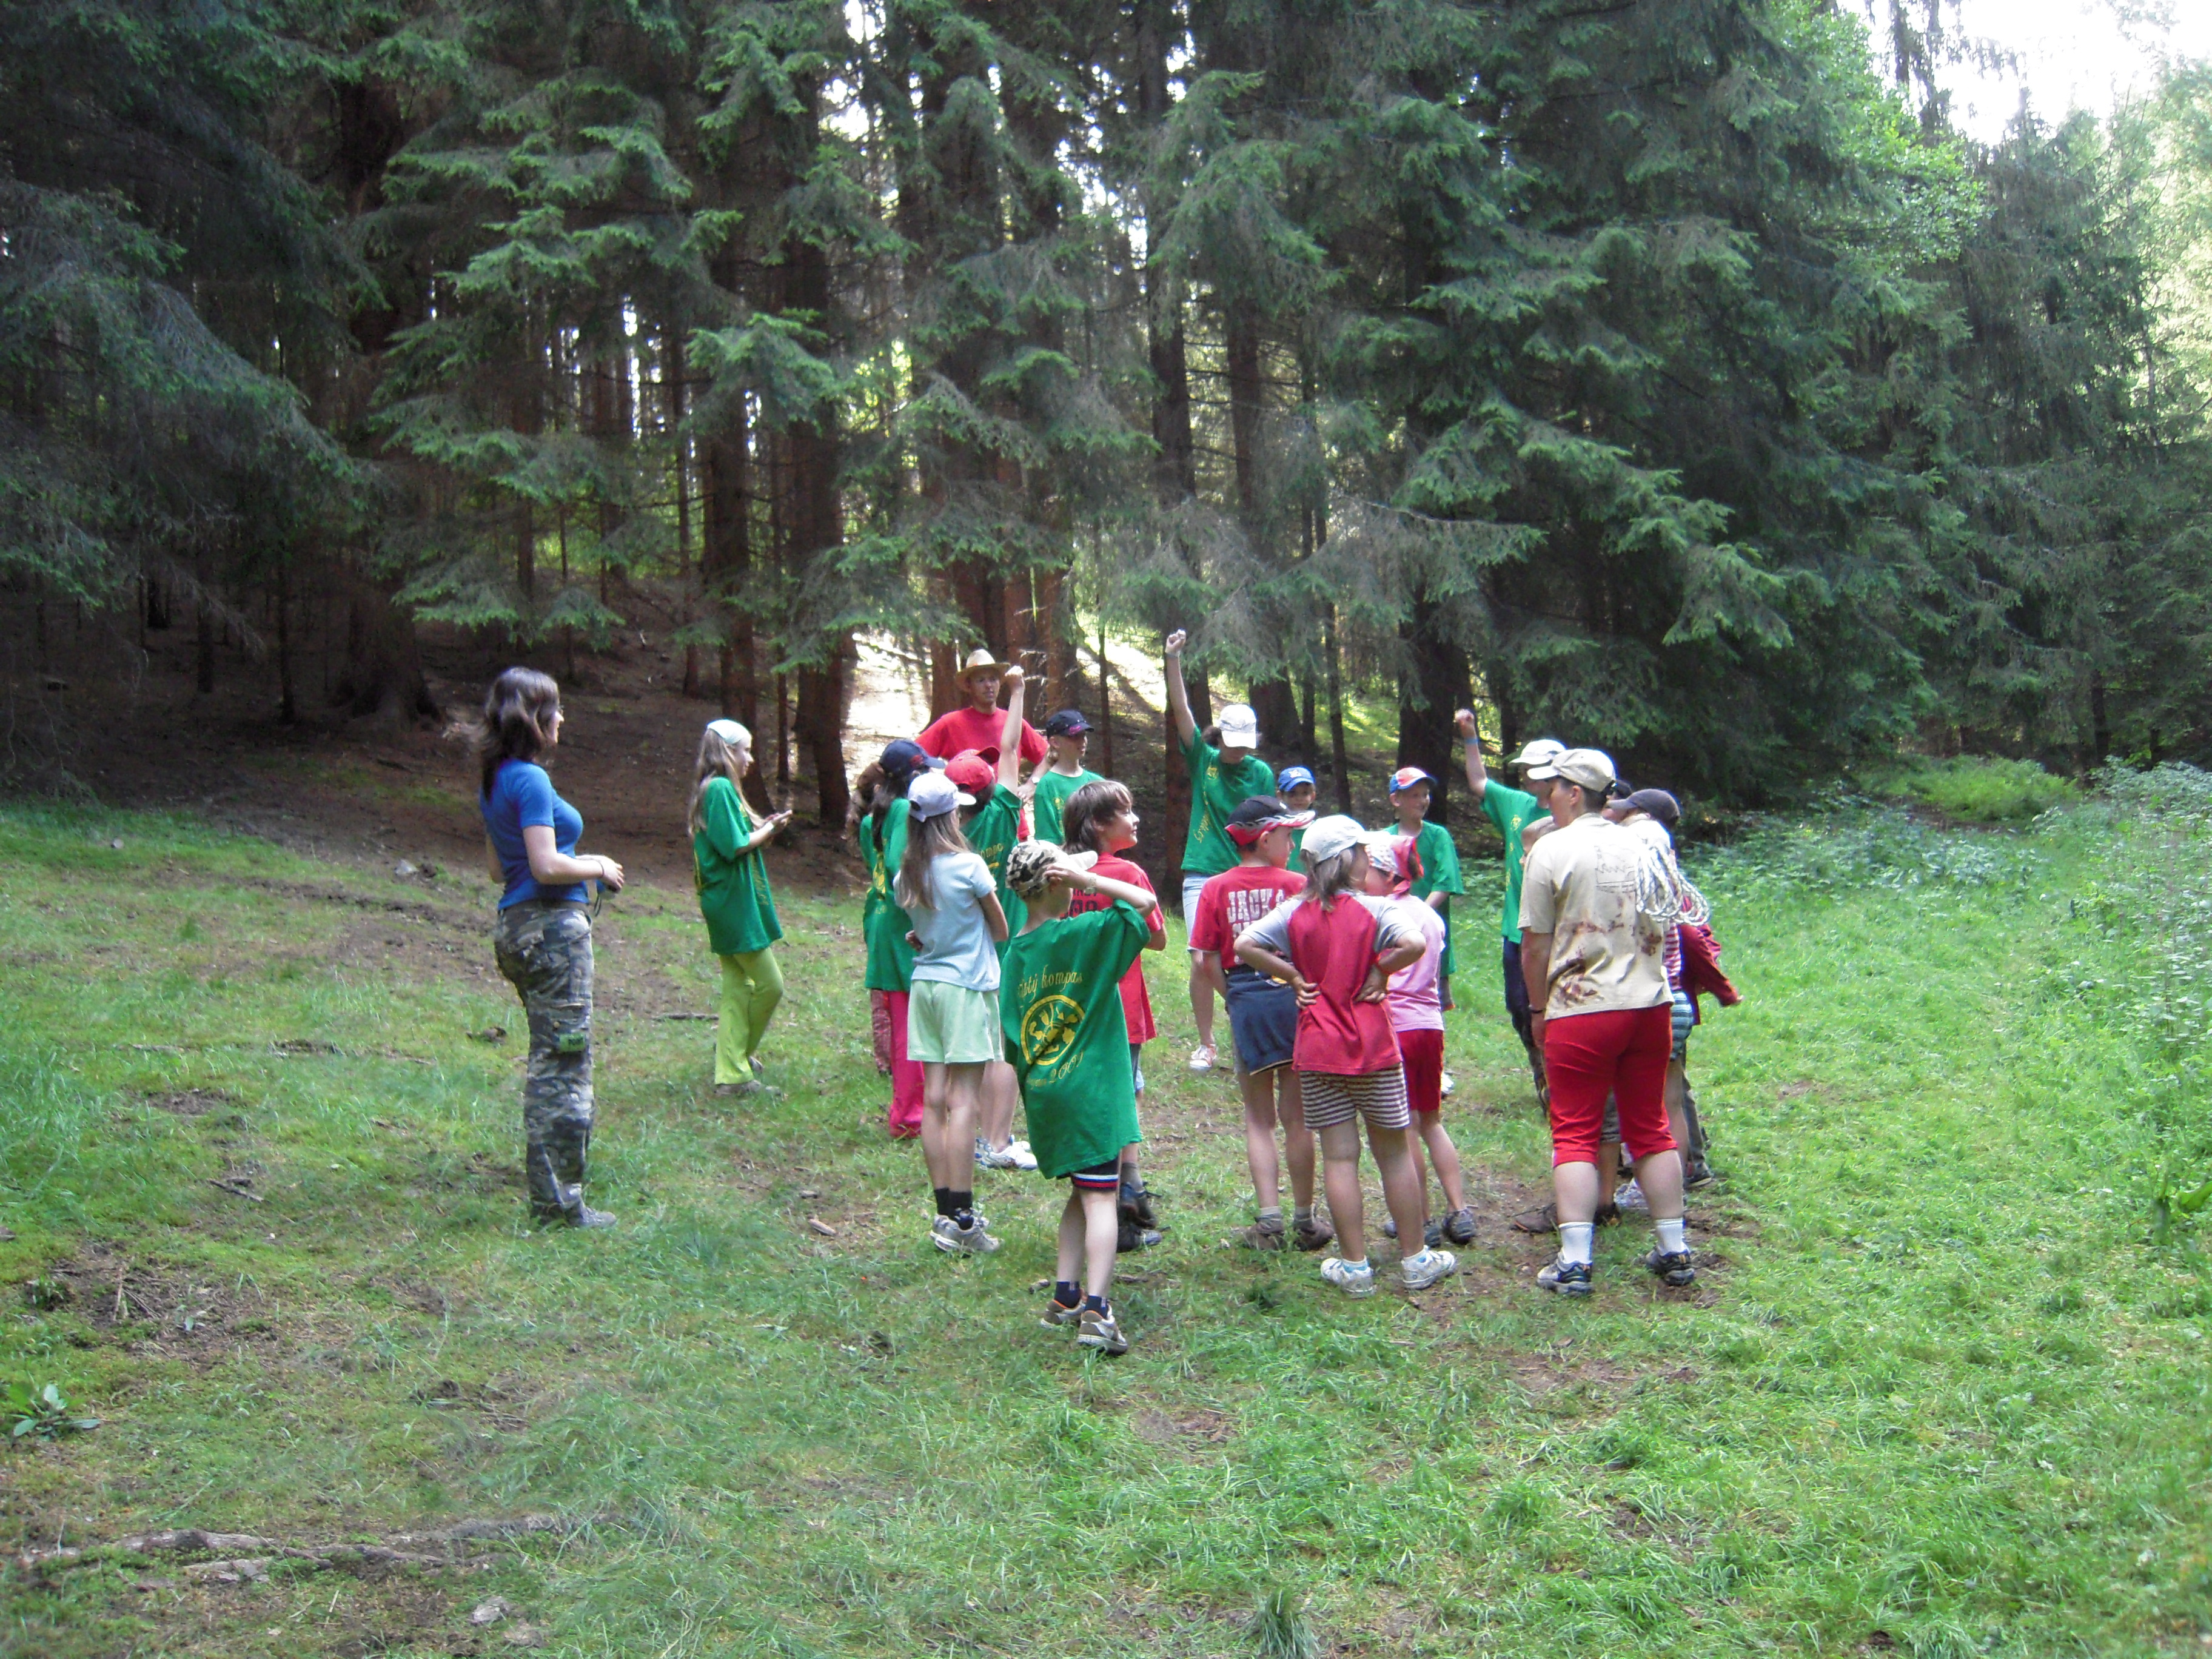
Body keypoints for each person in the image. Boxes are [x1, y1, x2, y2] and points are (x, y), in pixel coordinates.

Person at [1235, 815, 1459, 1296]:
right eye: (1362, 852)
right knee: (1393, 1154)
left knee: (1339, 1158)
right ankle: (1416, 1260)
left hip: (1318, 1050)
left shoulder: (1292, 912)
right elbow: (1414, 943)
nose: (1367, 859)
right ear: (1348, 859)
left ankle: (1355, 1268)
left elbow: (1244, 944)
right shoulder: (1377, 908)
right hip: (1374, 1049)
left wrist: (1293, 977)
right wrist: (1381, 972)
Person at [1518, 749, 1697, 1296]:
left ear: (1574, 793)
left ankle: (1575, 1263)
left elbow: (1535, 944)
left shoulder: (1551, 849)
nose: (1547, 797)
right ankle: (1674, 1250)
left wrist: (1538, 1010)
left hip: (1582, 1006)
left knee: (1574, 1129)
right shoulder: (1643, 844)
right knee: (1650, 1126)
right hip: (1649, 1006)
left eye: (1554, 788)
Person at [467, 667, 625, 1229]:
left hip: (517, 928)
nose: (563, 718)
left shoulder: (495, 780)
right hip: (552, 933)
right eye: (556, 709)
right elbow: (545, 865)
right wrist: (598, 865)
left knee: (550, 1057)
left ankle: (554, 1190)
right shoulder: (530, 780)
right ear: (535, 719)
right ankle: (558, 1206)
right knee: (563, 1065)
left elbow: (497, 869)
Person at [1002, 840, 1162, 1355]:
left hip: (1046, 1091)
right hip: (1092, 1091)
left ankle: (1065, 1296)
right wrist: (1090, 881)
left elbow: (1011, 1040)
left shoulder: (1016, 953)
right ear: (1059, 884)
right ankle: (1098, 1311)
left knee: (1081, 1190)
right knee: (1100, 1199)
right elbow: (1143, 904)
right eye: (1071, 876)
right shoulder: (1086, 933)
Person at [1187, 796, 1331, 1251]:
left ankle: (1269, 1223)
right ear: (1266, 839)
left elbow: (1206, 959)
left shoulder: (1215, 888)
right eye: (1288, 836)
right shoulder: (1299, 885)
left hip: (1247, 998)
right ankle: (1305, 1220)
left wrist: (1234, 1000)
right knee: (1298, 1118)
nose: (1293, 845)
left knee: (1258, 1118)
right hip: (1295, 999)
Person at [897, 769, 1011, 1253]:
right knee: (965, 1101)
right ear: (952, 817)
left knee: (934, 1099)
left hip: (925, 987)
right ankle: (964, 1221)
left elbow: (924, 931)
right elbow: (1000, 929)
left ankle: (944, 1212)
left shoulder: (908, 873)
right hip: (965, 988)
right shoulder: (969, 866)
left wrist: (929, 936)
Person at [1060, 778, 1168, 1248]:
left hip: (1072, 1008)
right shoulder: (1127, 874)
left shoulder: (1059, 870)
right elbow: (1158, 938)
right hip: (1120, 1010)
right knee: (1121, 1103)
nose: (1136, 819)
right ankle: (1119, 1204)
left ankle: (1131, 1187)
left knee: (1110, 1097)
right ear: (1101, 824)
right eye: (1127, 812)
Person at [1163, 628, 1276, 1073]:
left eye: (1246, 741)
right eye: (1234, 739)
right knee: (1201, 958)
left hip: (1247, 874)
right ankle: (1208, 1042)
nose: (1239, 748)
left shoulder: (1260, 772)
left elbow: (1270, 825)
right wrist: (1173, 660)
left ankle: (1252, 1027)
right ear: (1223, 736)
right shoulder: (1204, 760)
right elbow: (1182, 711)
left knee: (1250, 956)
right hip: (1202, 872)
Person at [944, 665, 1039, 1173]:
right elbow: (1010, 748)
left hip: (966, 946)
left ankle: (984, 1133)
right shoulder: (1004, 810)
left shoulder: (946, 834)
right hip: (1009, 939)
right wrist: (1017, 692)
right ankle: (997, 1142)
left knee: (980, 1042)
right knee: (1005, 1043)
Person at [1361, 835, 1476, 1248]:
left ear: (1389, 875)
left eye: (1366, 868)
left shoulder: (1377, 914)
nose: (1359, 875)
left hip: (1396, 1028)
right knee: (1431, 1121)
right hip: (1430, 1027)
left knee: (1404, 1125)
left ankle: (1421, 1218)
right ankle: (1459, 1210)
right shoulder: (1429, 915)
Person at [1456, 712, 1566, 1100]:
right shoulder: (1516, 803)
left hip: (1561, 930)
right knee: (1521, 1007)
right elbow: (1479, 783)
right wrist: (1470, 736)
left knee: (1561, 1005)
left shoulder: (1572, 814)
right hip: (1516, 930)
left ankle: (1563, 1077)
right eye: (1524, 769)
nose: (1525, 775)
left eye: (1532, 769)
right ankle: (1542, 1071)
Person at [689, 719, 794, 1099]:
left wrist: (763, 827)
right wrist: (770, 831)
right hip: (730, 902)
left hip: (728, 899)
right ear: (727, 751)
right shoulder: (718, 788)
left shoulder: (719, 791)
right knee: (770, 985)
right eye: (745, 751)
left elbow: (735, 836)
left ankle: (731, 1070)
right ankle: (735, 1061)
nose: (749, 759)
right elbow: (734, 845)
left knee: (737, 986)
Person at [862, 739, 945, 1138]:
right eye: (924, 770)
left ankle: (915, 1107)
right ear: (912, 777)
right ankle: (909, 1116)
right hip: (899, 925)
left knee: (906, 1016)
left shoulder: (875, 815)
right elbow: (900, 867)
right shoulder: (901, 811)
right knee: (909, 1023)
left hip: (882, 921)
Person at [1383, 768, 1466, 1024]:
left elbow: (1446, 882)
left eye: (1425, 795)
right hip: (1392, 935)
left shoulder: (1438, 836)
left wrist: (1419, 916)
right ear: (1396, 800)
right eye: (1415, 795)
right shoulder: (1383, 839)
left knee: (1431, 1000)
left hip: (1430, 934)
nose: (1422, 801)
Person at [917, 648, 1048, 769]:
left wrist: (1033, 782)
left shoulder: (1014, 723)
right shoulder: (950, 723)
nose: (988, 685)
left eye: (993, 679)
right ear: (969, 686)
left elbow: (1049, 756)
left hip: (1008, 787)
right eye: (981, 680)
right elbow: (913, 755)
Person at [1030, 709, 1104, 845]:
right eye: (1075, 737)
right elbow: (1047, 840)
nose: (1082, 741)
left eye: (1084, 735)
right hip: (1065, 856)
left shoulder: (1098, 782)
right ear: (1055, 742)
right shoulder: (1047, 785)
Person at [1276, 766, 1318, 862]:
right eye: (1292, 794)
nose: (1299, 798)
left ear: (1313, 796)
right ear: (1280, 796)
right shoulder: (1276, 831)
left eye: (1305, 793)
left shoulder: (1318, 830)